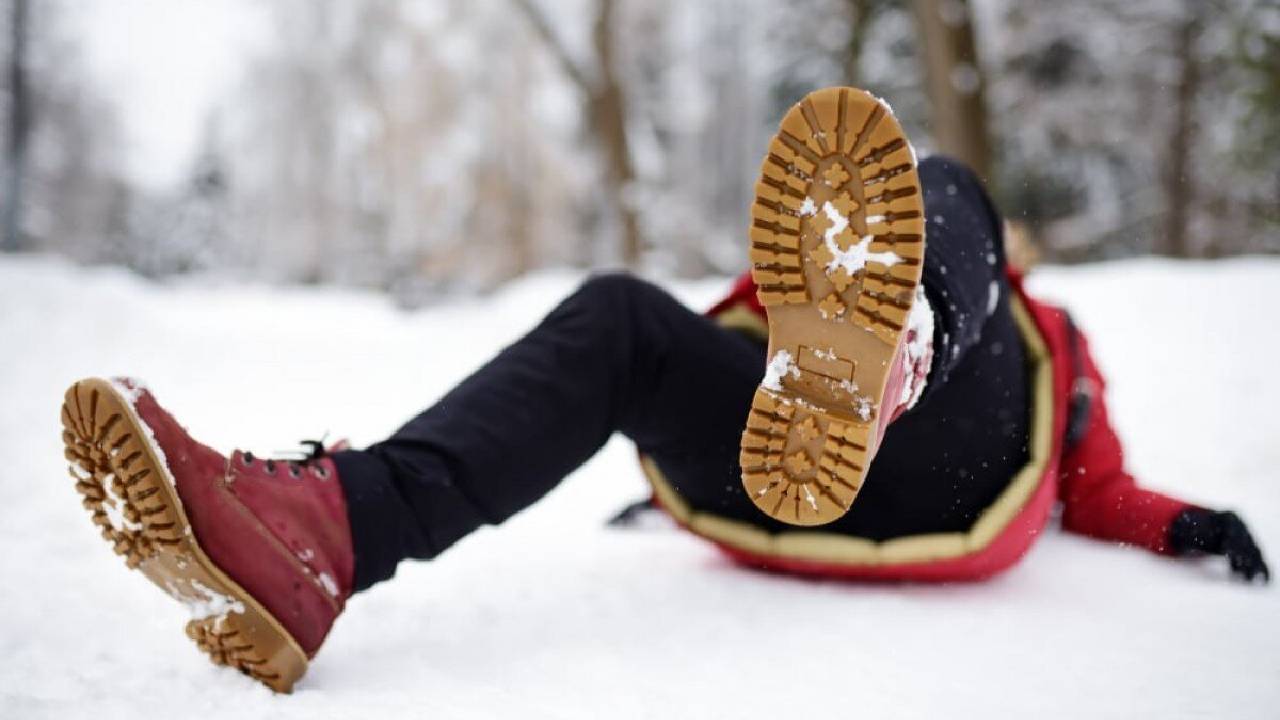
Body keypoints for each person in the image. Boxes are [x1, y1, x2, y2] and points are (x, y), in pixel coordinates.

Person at [59, 87, 1268, 693]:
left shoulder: (1040, 326)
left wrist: (1173, 523)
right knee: (622, 319)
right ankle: (329, 532)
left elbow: (1091, 480)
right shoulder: (827, 319)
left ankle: (903, 340)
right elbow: (1092, 478)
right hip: (801, 486)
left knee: (946, 182)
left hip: (937, 464)